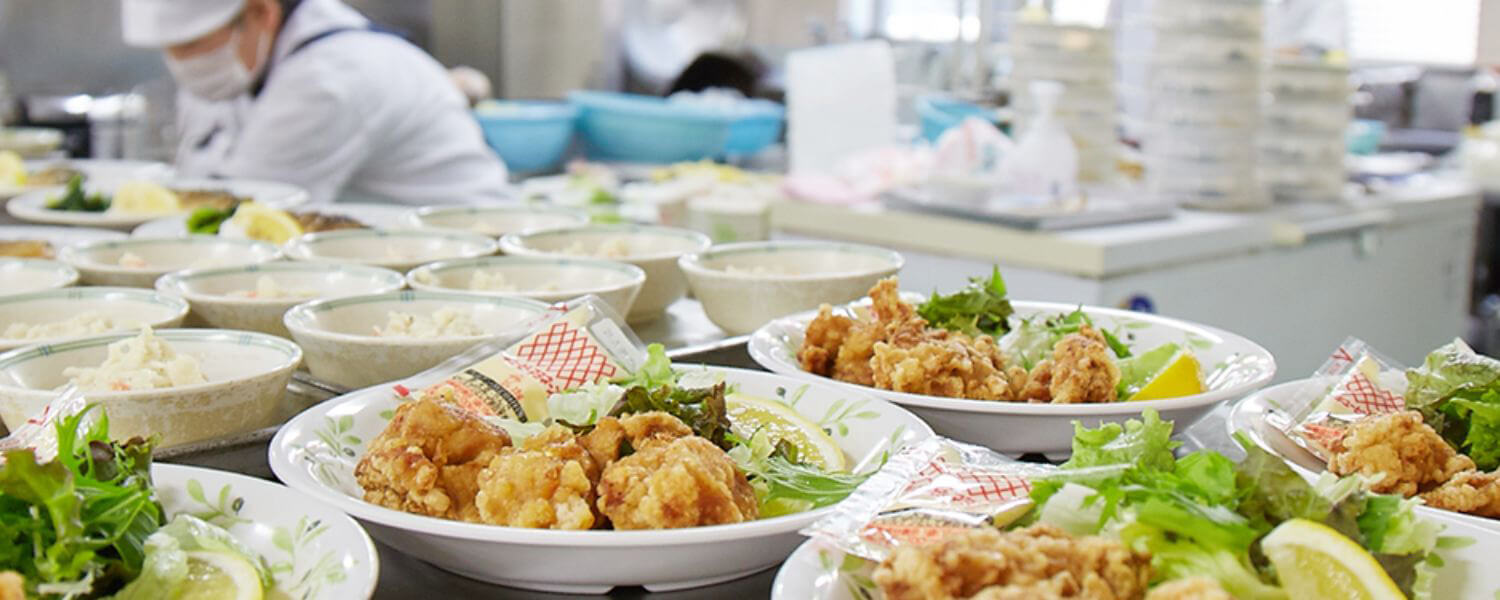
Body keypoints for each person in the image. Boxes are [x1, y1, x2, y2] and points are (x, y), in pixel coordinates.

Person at [121, 0, 508, 204]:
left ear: (261, 12)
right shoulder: (245, 65)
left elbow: (246, 213)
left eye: (191, 44)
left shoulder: (329, 77)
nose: (181, 63)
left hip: (465, 261)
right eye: (169, 49)